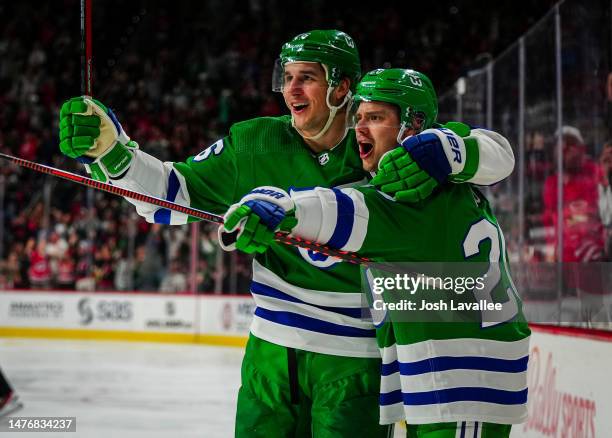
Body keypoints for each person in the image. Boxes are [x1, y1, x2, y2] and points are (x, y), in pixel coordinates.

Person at [58, 30, 515, 436]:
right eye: (287, 76)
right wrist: (114, 155)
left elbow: (491, 156)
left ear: (342, 88)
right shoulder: (255, 141)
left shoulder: (388, 139)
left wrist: (452, 151)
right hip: (270, 354)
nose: (290, 89)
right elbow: (169, 197)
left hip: (357, 360)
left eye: (306, 78)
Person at [220, 68, 530, 437]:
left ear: (412, 125)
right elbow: (490, 148)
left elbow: (343, 210)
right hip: (448, 372)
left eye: (376, 118)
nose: (360, 129)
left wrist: (280, 206)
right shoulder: (451, 173)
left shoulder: (408, 197)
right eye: (359, 117)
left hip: (463, 374)